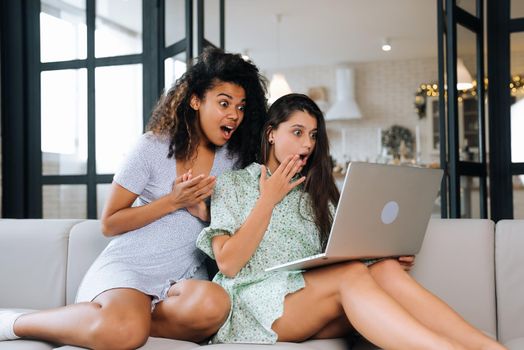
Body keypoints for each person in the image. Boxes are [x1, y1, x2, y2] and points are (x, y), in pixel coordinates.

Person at [0, 48, 267, 349]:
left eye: (241, 107)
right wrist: (173, 201)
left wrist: (202, 212)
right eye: (224, 103)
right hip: (131, 268)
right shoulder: (152, 148)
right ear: (195, 100)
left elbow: (229, 222)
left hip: (183, 279)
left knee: (216, 305)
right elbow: (110, 223)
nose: (234, 114)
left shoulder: (234, 160)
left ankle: (115, 322)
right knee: (127, 331)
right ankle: (16, 322)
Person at [196, 93, 506, 350]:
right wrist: (268, 199)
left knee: (381, 268)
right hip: (254, 306)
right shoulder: (233, 184)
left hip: (310, 299)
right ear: (271, 133)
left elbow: (341, 249)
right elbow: (229, 264)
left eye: (313, 136)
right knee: (351, 275)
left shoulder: (316, 193)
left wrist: (385, 253)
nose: (307, 144)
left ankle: (489, 347)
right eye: (297, 132)